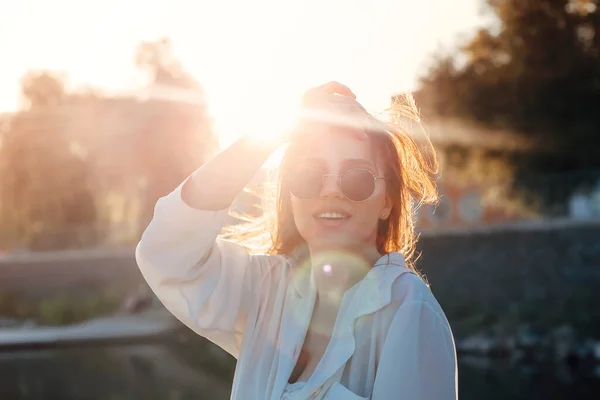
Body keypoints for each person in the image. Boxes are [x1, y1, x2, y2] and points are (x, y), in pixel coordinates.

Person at [136, 82, 458, 399]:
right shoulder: (265, 292)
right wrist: (273, 135)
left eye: (356, 177)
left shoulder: (409, 311)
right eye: (309, 175)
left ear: (387, 201)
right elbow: (166, 252)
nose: (330, 191)